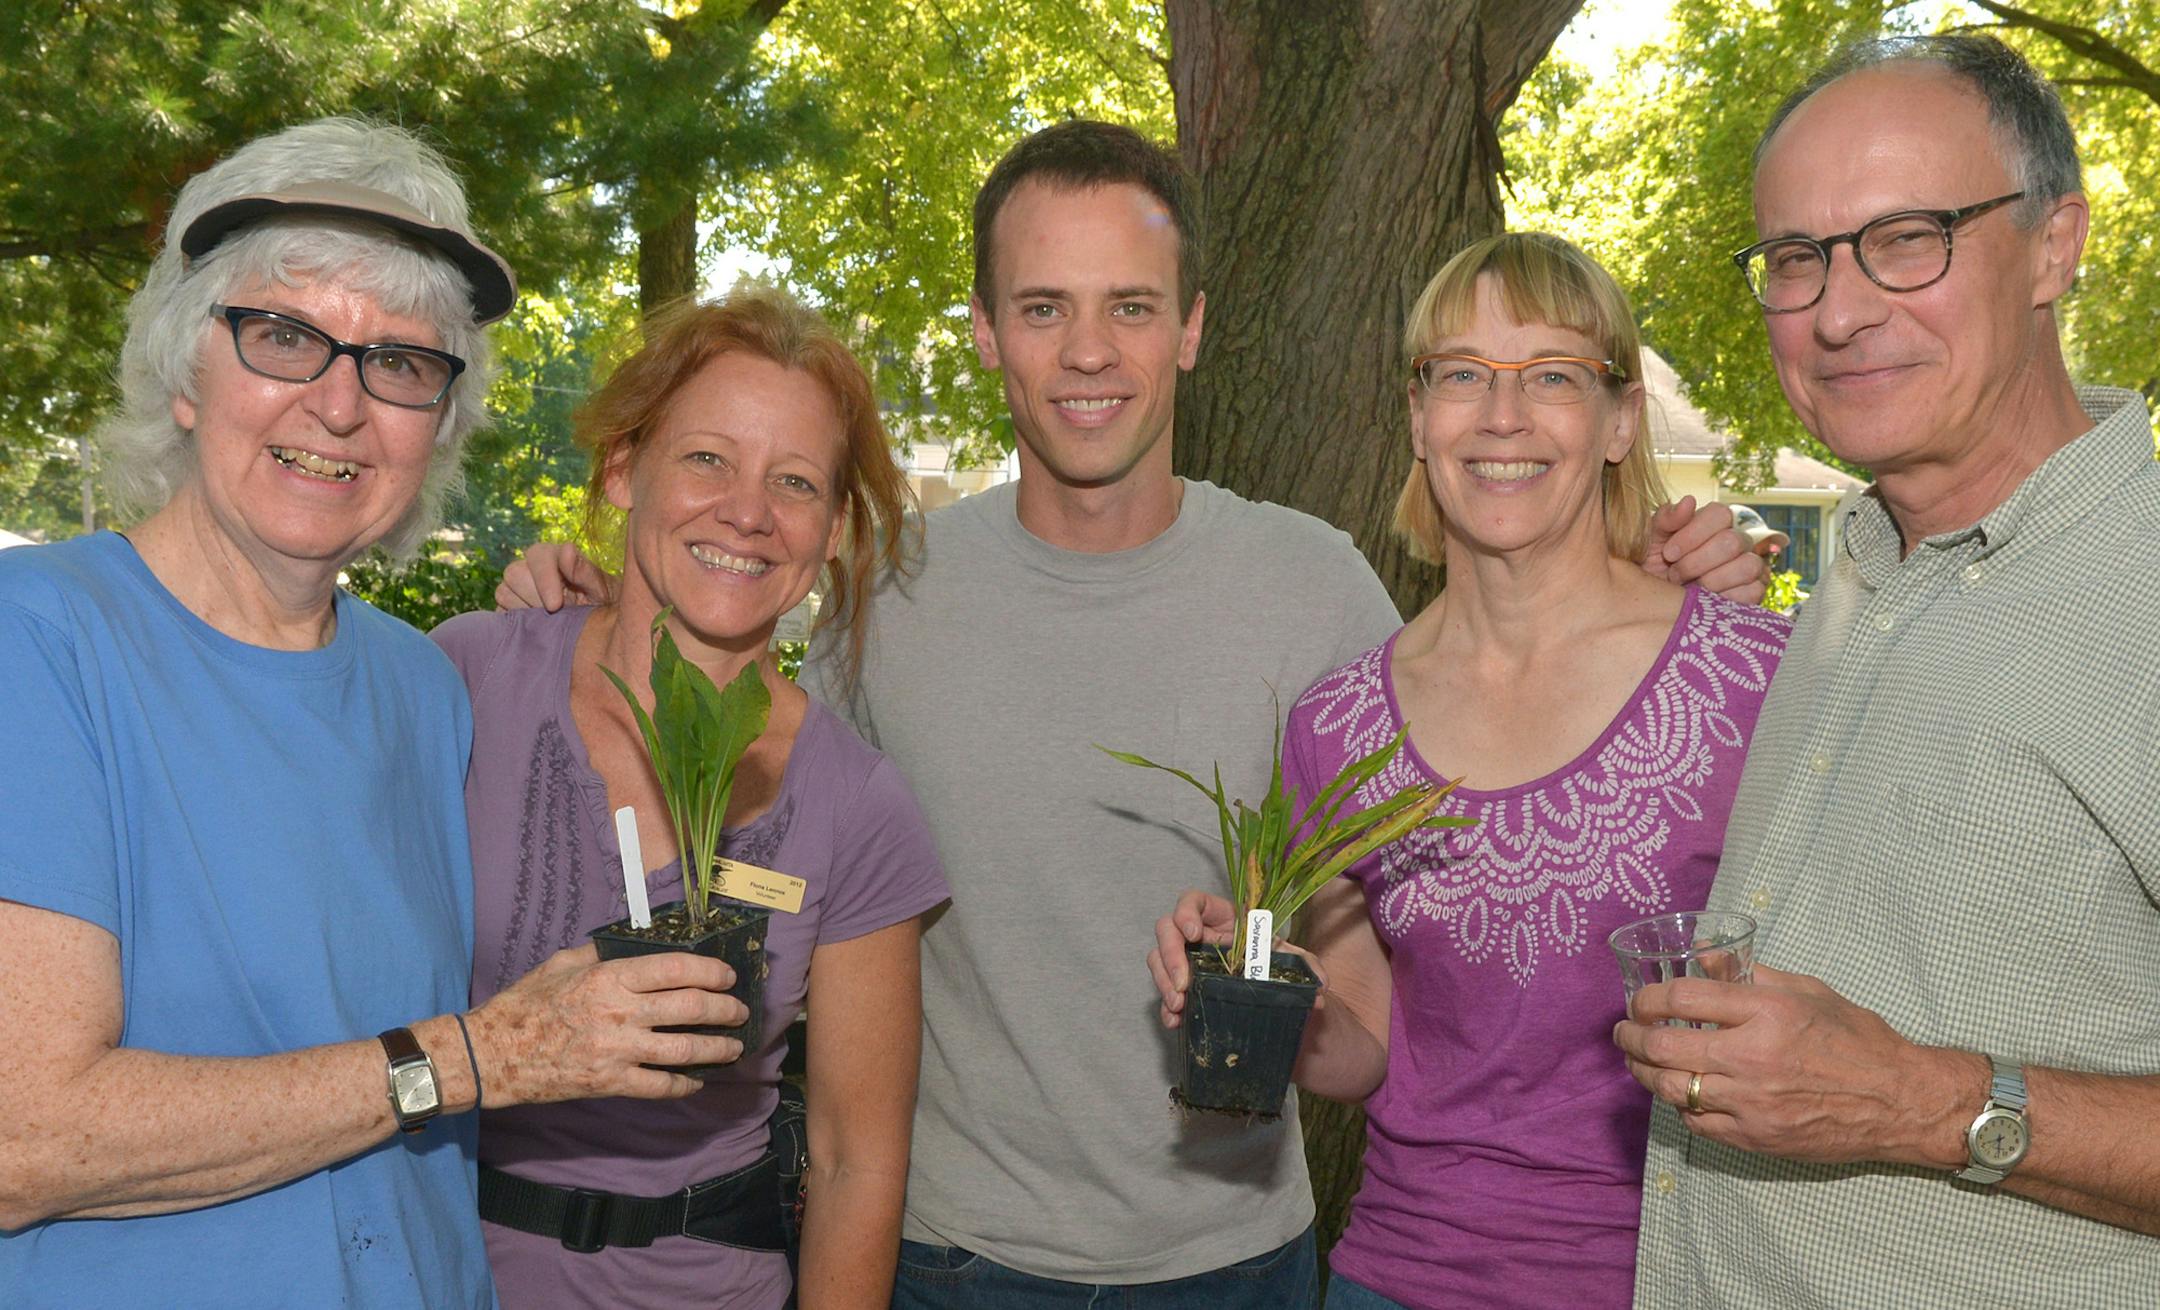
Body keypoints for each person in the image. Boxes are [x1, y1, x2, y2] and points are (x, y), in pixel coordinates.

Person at [503, 121, 1773, 1306]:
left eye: (1132, 307)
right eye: (1044, 307)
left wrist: (1654, 592)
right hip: (948, 1253)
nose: (1090, 351)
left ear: (1193, 330)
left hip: (1239, 1258)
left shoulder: (1315, 582)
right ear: (989, 332)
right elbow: (727, 697)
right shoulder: (883, 594)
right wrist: (585, 602)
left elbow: (1492, 745)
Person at [0, 119, 751, 1308]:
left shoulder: (423, 686)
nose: (339, 405)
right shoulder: (34, 639)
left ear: (438, 425)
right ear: (187, 370)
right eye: (287, 335)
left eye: (401, 362)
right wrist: (476, 1058)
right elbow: (23, 1139)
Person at [1609, 34, 2160, 1308]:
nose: (1840, 310)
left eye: (1908, 235)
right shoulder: (1857, 568)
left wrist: (1923, 1102)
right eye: (1796, 259)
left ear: (2054, 244)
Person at [1148, 232, 1793, 1309]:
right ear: (1417, 415)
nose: (1502, 416)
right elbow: (1365, 1046)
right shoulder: (1339, 721)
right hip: (1403, 1274)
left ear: (1621, 419)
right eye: (1461, 374)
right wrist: (1271, 990)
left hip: (1683, 1276)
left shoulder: (1753, 678)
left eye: (1552, 375)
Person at [433, 289, 949, 1309]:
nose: (748, 511)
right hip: (445, 1266)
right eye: (708, 457)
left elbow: (855, 1161)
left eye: (795, 481)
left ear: (834, 528)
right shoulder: (471, 679)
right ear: (626, 468)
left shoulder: (857, 803)